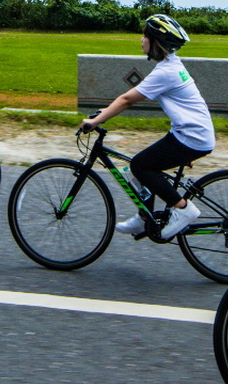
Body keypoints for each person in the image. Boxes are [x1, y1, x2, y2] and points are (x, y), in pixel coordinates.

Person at [79, 14, 215, 241]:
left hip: (192, 136)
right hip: (191, 134)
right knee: (144, 165)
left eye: (145, 36)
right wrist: (103, 113)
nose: (141, 40)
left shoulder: (165, 72)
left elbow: (126, 99)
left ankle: (183, 209)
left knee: (140, 166)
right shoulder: (171, 65)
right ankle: (145, 217)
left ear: (156, 42)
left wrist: (95, 121)